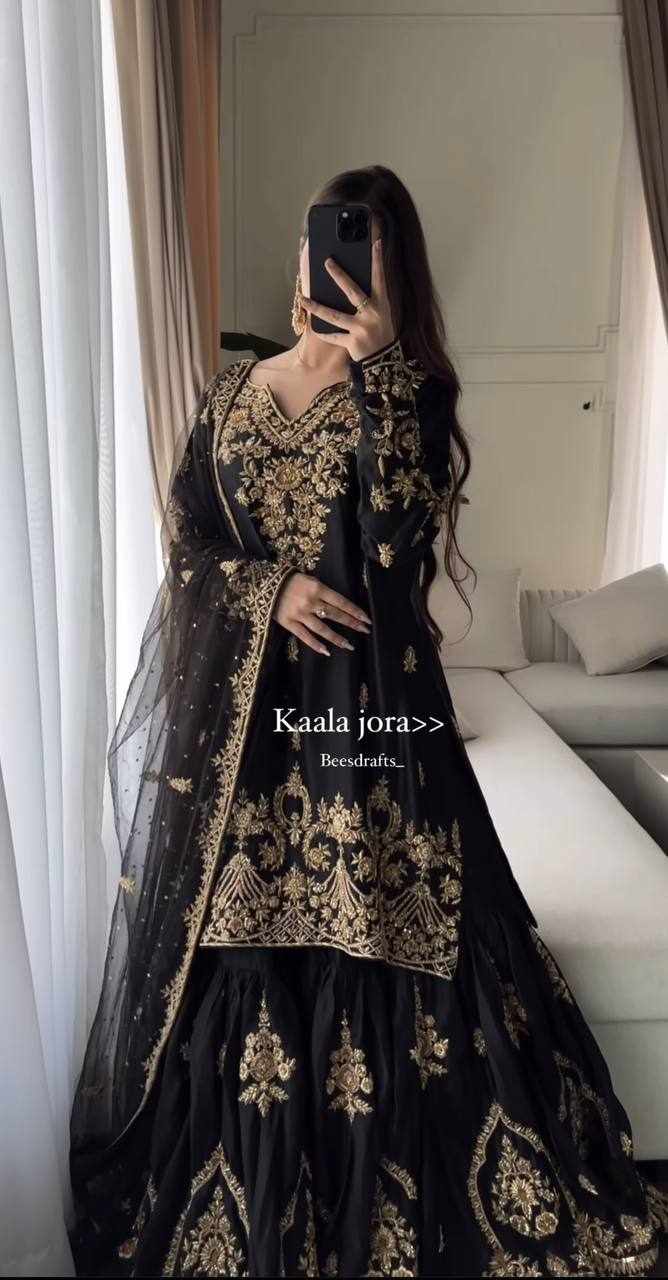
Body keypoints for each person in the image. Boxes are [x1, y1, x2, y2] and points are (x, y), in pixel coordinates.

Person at [70, 165, 667, 1278]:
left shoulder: (411, 397)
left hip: (368, 724)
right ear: (301, 254)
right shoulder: (230, 394)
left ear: (394, 274)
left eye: (365, 251)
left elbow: (395, 543)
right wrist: (269, 590)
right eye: (325, 242)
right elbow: (188, 541)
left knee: (398, 930)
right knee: (241, 944)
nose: (333, 265)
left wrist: (383, 368)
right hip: (249, 733)